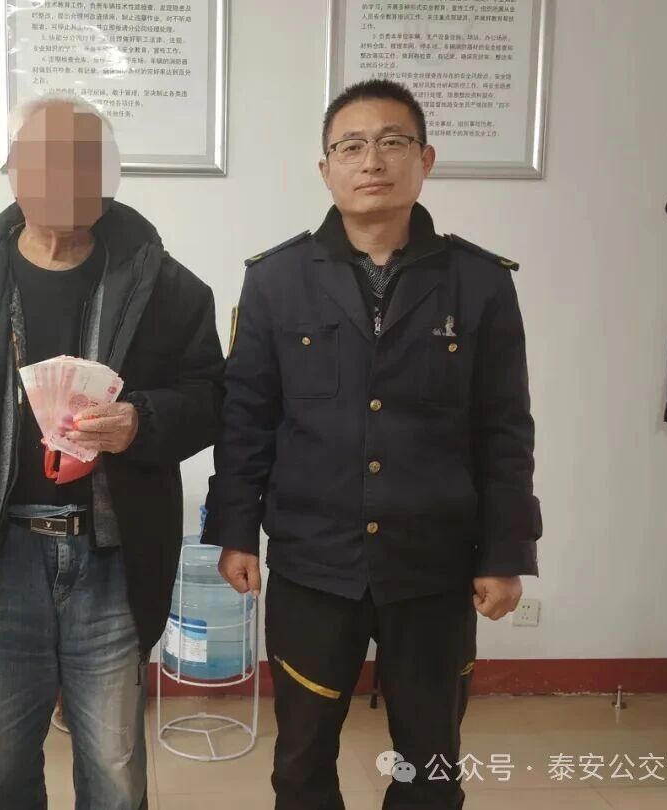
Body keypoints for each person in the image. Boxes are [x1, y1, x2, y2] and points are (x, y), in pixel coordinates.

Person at [203, 79, 542, 810]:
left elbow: (505, 429)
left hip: (434, 562)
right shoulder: (277, 280)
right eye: (351, 146)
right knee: (301, 758)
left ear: (426, 159)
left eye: (392, 142)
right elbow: (246, 418)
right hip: (313, 560)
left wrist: (506, 551)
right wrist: (234, 531)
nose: (372, 161)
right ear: (325, 168)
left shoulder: (479, 283)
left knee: (430, 761)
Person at [0, 93, 225, 810]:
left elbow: (212, 397)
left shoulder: (165, 285)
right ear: (12, 168)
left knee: (116, 768)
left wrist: (141, 421)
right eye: (44, 159)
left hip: (114, 557)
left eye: (83, 160)